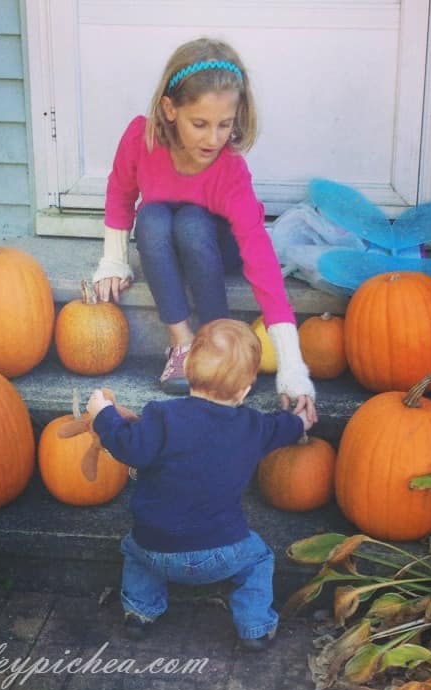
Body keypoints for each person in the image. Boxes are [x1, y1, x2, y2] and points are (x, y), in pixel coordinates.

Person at [92, 36, 317, 425]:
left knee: (193, 222)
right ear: (170, 109)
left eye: (224, 125)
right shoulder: (139, 139)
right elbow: (121, 193)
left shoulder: (229, 171)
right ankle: (182, 344)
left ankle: (217, 341)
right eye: (200, 124)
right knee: (153, 216)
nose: (214, 139)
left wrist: (292, 367)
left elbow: (260, 259)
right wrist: (113, 259)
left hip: (214, 243)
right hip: (163, 237)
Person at [86, 319, 313, 651]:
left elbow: (128, 446)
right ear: (246, 389)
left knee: (131, 552)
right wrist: (300, 421)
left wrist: (102, 414)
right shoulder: (253, 426)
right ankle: (255, 627)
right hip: (222, 553)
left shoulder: (161, 416)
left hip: (153, 546)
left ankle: (139, 613)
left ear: (187, 369)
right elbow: (281, 428)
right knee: (260, 558)